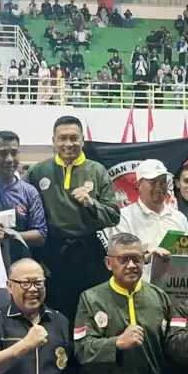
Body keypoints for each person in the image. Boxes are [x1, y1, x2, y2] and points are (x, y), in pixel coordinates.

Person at [74, 233, 178, 374]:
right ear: (108, 263)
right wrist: (116, 344)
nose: (131, 265)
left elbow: (172, 355)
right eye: (123, 259)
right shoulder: (91, 298)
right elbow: (82, 349)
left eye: (137, 259)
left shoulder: (159, 297)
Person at [26, 116, 120, 321]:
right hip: (50, 254)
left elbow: (114, 215)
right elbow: (25, 211)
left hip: (87, 254)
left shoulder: (96, 170)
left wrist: (91, 203)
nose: (68, 144)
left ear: (83, 141)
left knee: (91, 312)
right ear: (53, 141)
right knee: (53, 313)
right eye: (62, 138)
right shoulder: (38, 171)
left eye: (74, 138)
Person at [111, 159, 188, 275]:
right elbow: (120, 258)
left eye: (163, 182)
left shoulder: (179, 218)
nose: (159, 187)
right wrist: (147, 257)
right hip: (138, 287)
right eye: (152, 182)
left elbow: (187, 258)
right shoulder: (124, 217)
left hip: (174, 287)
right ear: (138, 186)